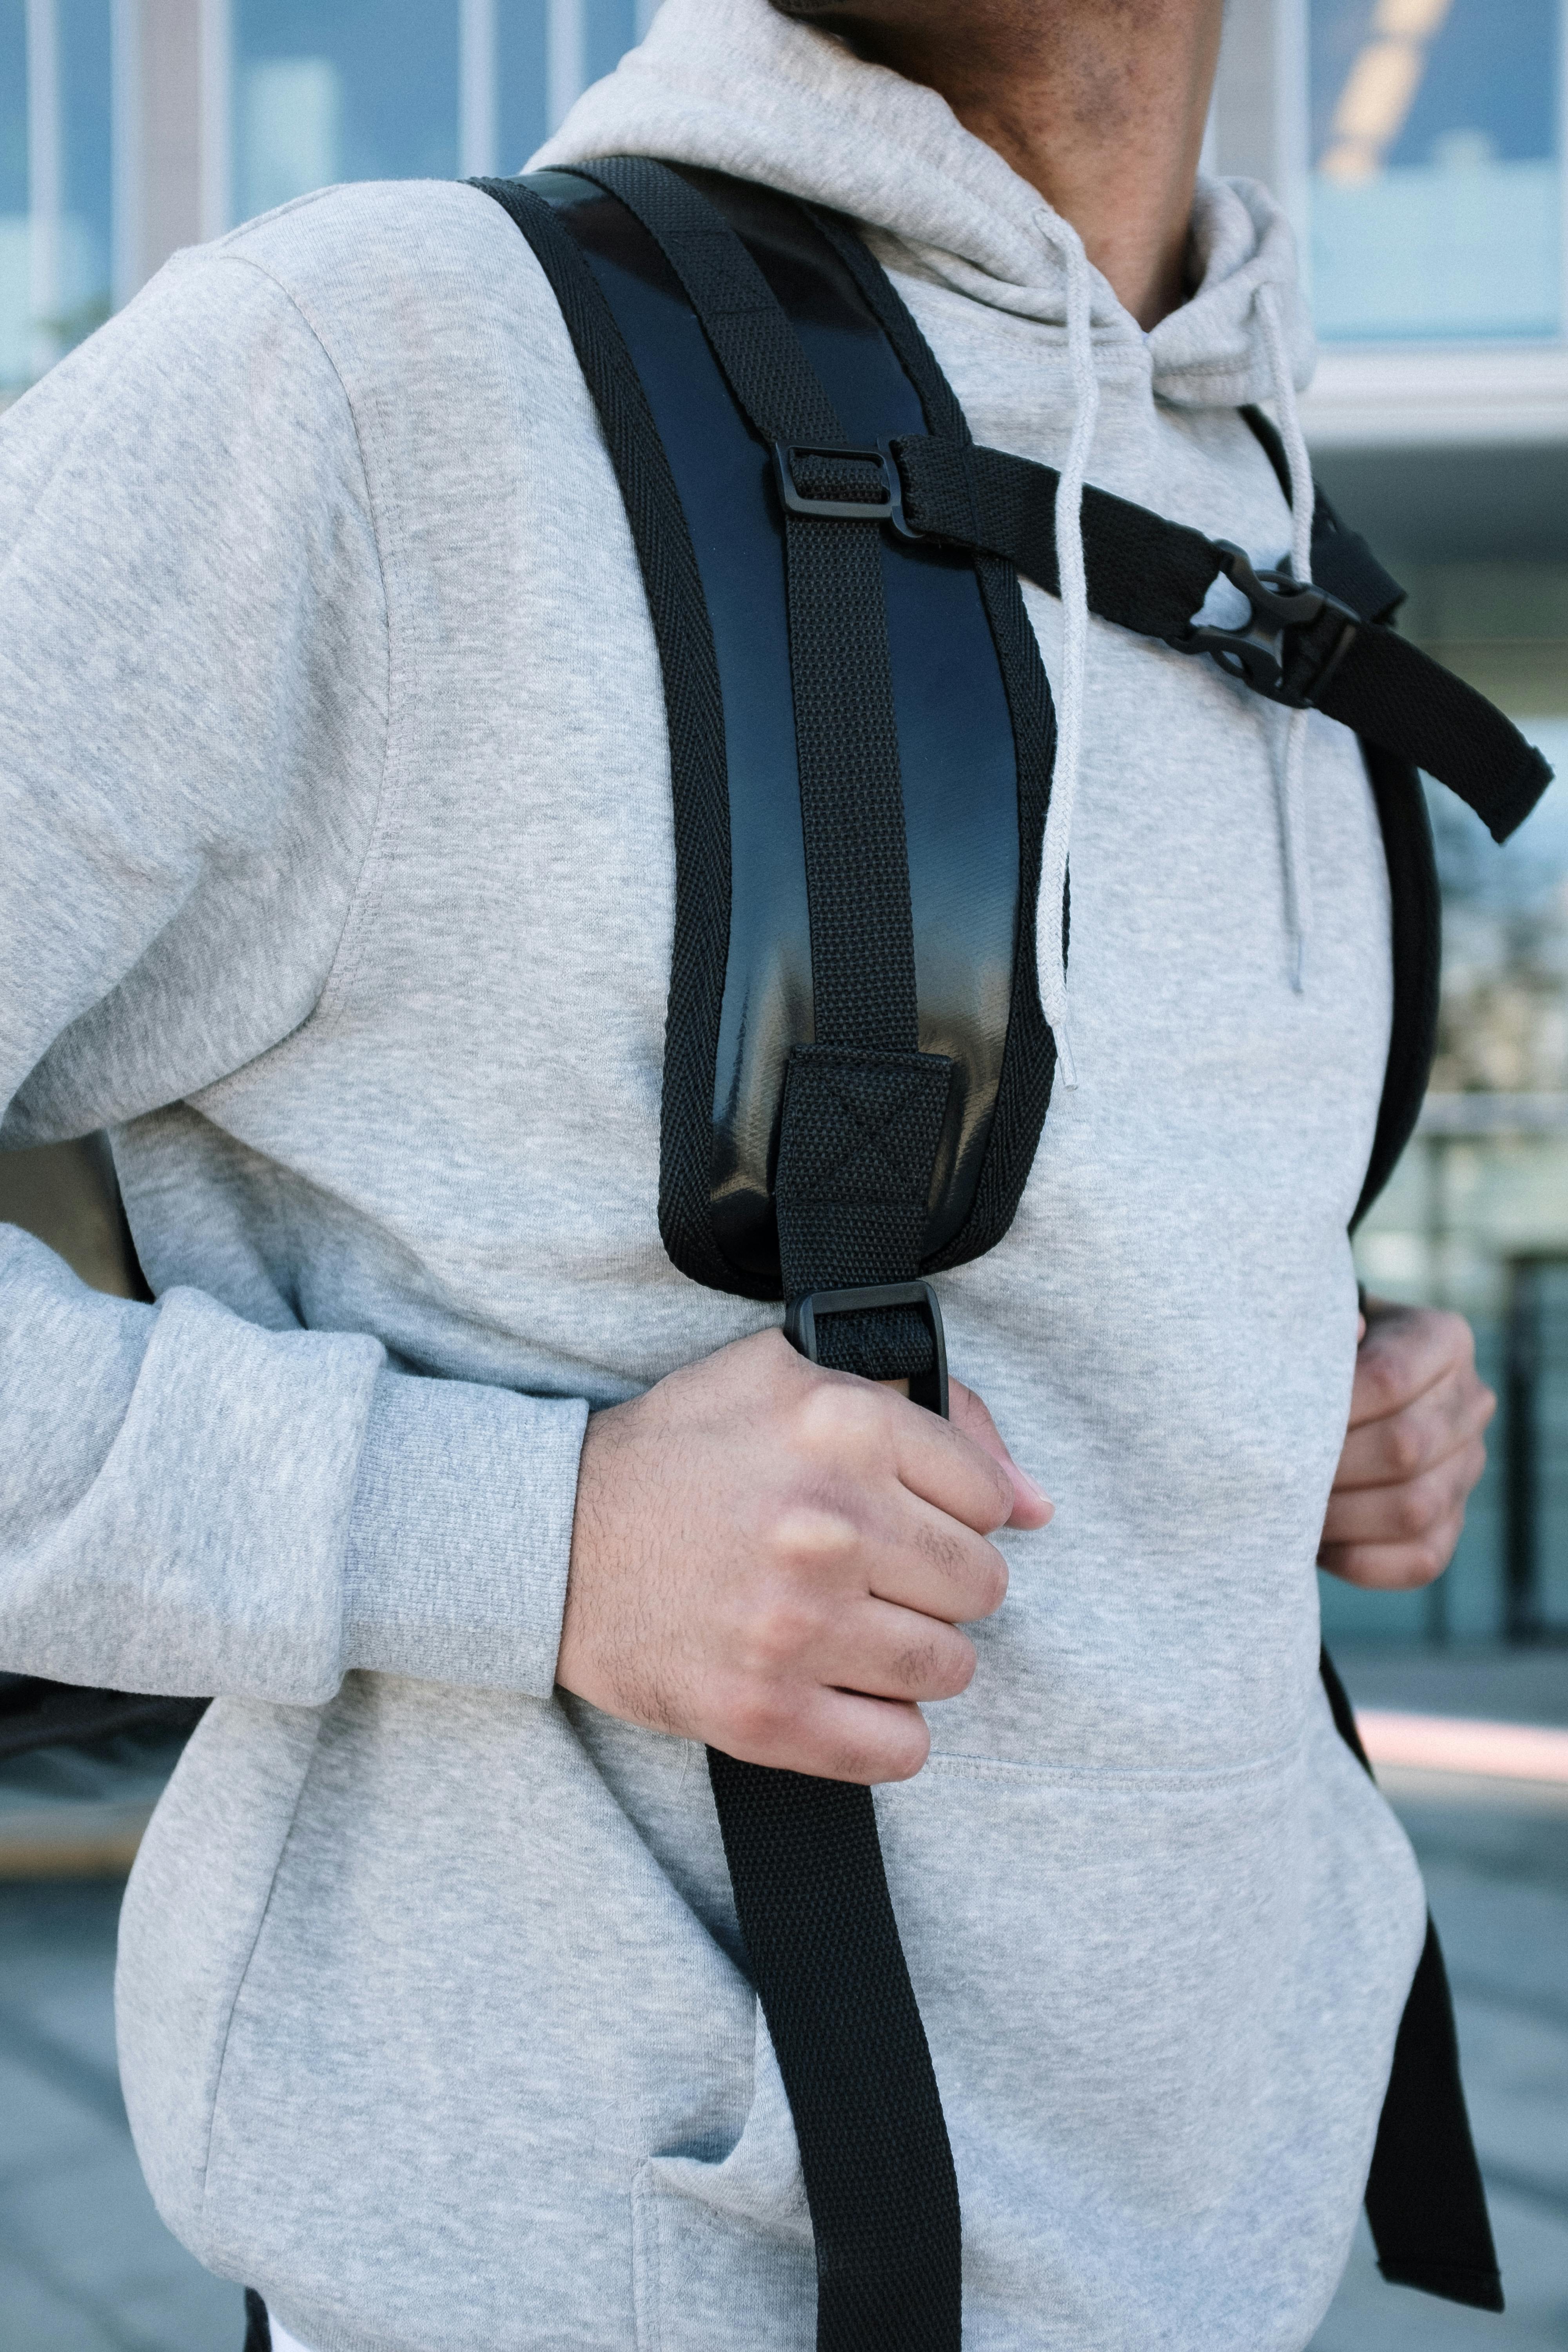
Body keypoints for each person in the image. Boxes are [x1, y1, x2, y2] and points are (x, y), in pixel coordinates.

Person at [0, 0, 1497, 2346]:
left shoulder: (1255, 506)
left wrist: (1289, 1393)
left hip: (1229, 2268)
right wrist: (538, 1541)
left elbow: (1085, 1264)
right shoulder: (375, 378)